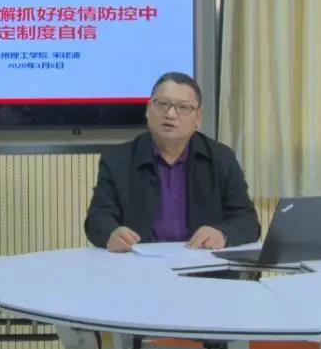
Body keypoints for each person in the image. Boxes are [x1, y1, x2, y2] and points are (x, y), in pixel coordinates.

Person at [84, 72, 260, 252]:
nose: (170, 114)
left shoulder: (221, 158)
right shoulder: (117, 160)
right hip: (139, 263)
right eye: (162, 104)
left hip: (201, 261)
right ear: (148, 110)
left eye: (183, 107)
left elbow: (248, 221)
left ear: (198, 118)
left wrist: (222, 234)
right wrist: (111, 233)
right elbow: (97, 218)